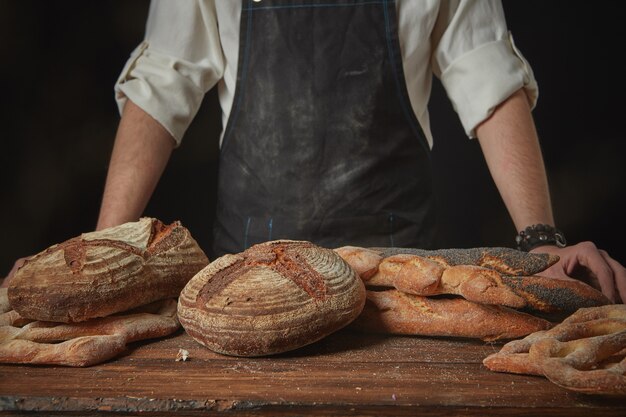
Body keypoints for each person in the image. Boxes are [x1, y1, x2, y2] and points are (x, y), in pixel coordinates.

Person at [3, 0, 625, 303]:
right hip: (246, 292)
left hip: (400, 290)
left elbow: (485, 71)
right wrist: (102, 253)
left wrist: (541, 240)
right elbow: (163, 84)